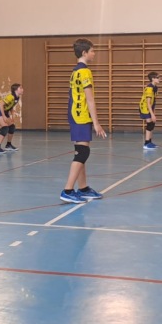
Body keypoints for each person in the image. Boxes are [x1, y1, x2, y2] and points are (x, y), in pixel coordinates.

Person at [60, 38, 107, 204]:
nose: (94, 53)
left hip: (75, 114)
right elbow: (90, 99)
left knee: (81, 151)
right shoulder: (85, 72)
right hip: (80, 116)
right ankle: (67, 190)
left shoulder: (75, 71)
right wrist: (96, 123)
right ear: (84, 53)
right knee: (83, 153)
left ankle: (83, 188)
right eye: (92, 51)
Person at [0, 83, 24, 154]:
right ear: (16, 90)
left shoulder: (17, 97)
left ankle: (8, 145)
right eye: (21, 88)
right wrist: (4, 116)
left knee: (12, 126)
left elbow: (11, 106)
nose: (22, 89)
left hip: (5, 111)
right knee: (5, 127)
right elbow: (1, 105)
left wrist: (12, 115)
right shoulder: (11, 96)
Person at [139, 71, 160, 150]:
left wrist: (154, 113)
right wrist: (152, 114)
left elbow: (153, 102)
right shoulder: (149, 88)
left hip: (150, 107)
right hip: (145, 108)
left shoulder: (155, 87)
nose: (159, 79)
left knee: (152, 124)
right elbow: (148, 103)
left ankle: (150, 142)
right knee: (150, 124)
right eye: (157, 78)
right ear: (153, 79)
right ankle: (146, 143)